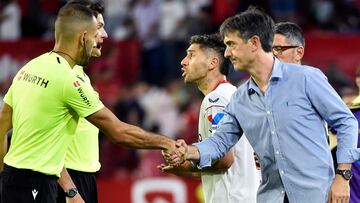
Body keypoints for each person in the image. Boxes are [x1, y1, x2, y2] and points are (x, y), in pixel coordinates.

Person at [166, 7, 360, 203]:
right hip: (271, 198)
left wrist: (343, 177)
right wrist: (189, 151)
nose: (227, 53)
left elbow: (346, 122)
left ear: (254, 43)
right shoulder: (240, 98)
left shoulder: (307, 79)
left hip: (317, 196)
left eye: (231, 44)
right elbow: (219, 142)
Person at [0, 4, 182, 203]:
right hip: (41, 182)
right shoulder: (68, 79)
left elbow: (3, 125)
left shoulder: (28, 68)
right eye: (97, 31)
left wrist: (3, 176)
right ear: (83, 37)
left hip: (16, 178)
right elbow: (118, 132)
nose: (102, 36)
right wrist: (166, 143)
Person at [159, 34, 259, 203]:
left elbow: (224, 158)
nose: (183, 61)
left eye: (191, 55)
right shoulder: (234, 95)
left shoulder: (216, 99)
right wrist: (185, 168)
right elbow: (230, 165)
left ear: (213, 63)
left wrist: (187, 155)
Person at [55, 1, 107, 203]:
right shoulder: (63, 75)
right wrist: (71, 192)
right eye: (100, 27)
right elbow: (45, 141)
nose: (105, 35)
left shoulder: (80, 75)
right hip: (67, 183)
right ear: (83, 32)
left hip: (83, 180)